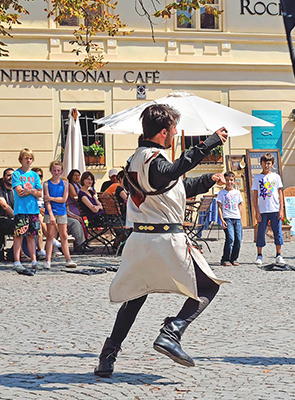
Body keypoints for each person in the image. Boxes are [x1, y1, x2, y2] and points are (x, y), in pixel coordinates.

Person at [94, 104, 228, 377]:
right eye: (175, 130)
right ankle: (171, 332)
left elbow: (174, 186)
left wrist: (207, 180)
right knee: (208, 288)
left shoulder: (139, 159)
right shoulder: (154, 159)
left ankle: (107, 357)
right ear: (164, 132)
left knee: (134, 298)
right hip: (165, 241)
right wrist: (211, 142)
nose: (176, 134)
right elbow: (173, 171)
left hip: (141, 242)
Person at [11, 148, 43, 272]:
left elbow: (39, 193)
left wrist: (29, 191)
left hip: (33, 210)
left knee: (32, 236)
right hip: (21, 210)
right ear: (21, 160)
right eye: (26, 158)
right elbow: (19, 191)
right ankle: (17, 261)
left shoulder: (35, 175)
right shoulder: (17, 174)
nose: (28, 160)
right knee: (19, 236)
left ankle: (34, 260)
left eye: (30, 158)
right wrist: (32, 192)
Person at [43, 160, 77, 269]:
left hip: (62, 212)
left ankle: (68, 259)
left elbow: (64, 199)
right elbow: (46, 201)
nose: (56, 172)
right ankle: (48, 261)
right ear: (51, 171)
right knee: (50, 236)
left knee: (63, 236)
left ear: (61, 171)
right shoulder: (46, 184)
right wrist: (51, 214)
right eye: (54, 170)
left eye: (58, 170)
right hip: (50, 212)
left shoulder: (65, 183)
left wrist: (51, 198)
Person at [253, 153, 285, 265]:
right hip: (262, 210)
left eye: (269, 163)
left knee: (278, 232)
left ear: (272, 164)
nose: (266, 165)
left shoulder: (276, 177)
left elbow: (280, 193)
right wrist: (256, 211)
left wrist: (281, 209)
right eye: (264, 163)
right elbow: (255, 195)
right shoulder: (257, 178)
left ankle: (279, 255)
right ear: (261, 163)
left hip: (275, 209)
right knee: (261, 232)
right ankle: (259, 255)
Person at [217, 171, 243, 266]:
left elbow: (240, 205)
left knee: (238, 239)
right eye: (227, 180)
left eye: (231, 180)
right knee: (230, 238)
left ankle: (234, 258)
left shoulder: (237, 193)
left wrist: (240, 218)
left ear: (234, 181)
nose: (229, 182)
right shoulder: (221, 193)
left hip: (237, 218)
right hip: (227, 218)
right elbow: (219, 207)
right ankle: (225, 258)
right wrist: (222, 219)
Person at [0, 168, 15, 261]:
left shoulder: (17, 190)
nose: (11, 177)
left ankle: (13, 252)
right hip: (1, 219)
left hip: (12, 219)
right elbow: (4, 205)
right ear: (3, 178)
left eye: (13, 175)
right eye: (8, 175)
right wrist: (17, 217)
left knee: (31, 225)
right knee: (22, 226)